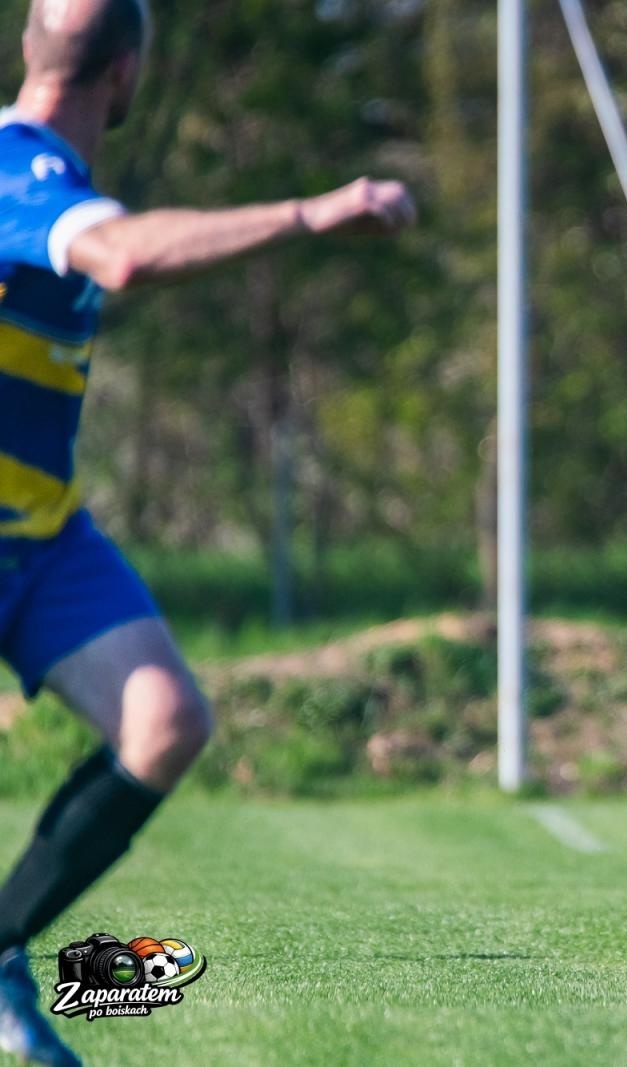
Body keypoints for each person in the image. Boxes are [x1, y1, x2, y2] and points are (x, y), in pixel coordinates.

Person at [0, 1, 415, 1061]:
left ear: (27, 47)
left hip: (39, 534)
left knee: (165, 718)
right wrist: (314, 213)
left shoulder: (52, 179)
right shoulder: (14, 168)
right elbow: (122, 256)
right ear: (129, 72)